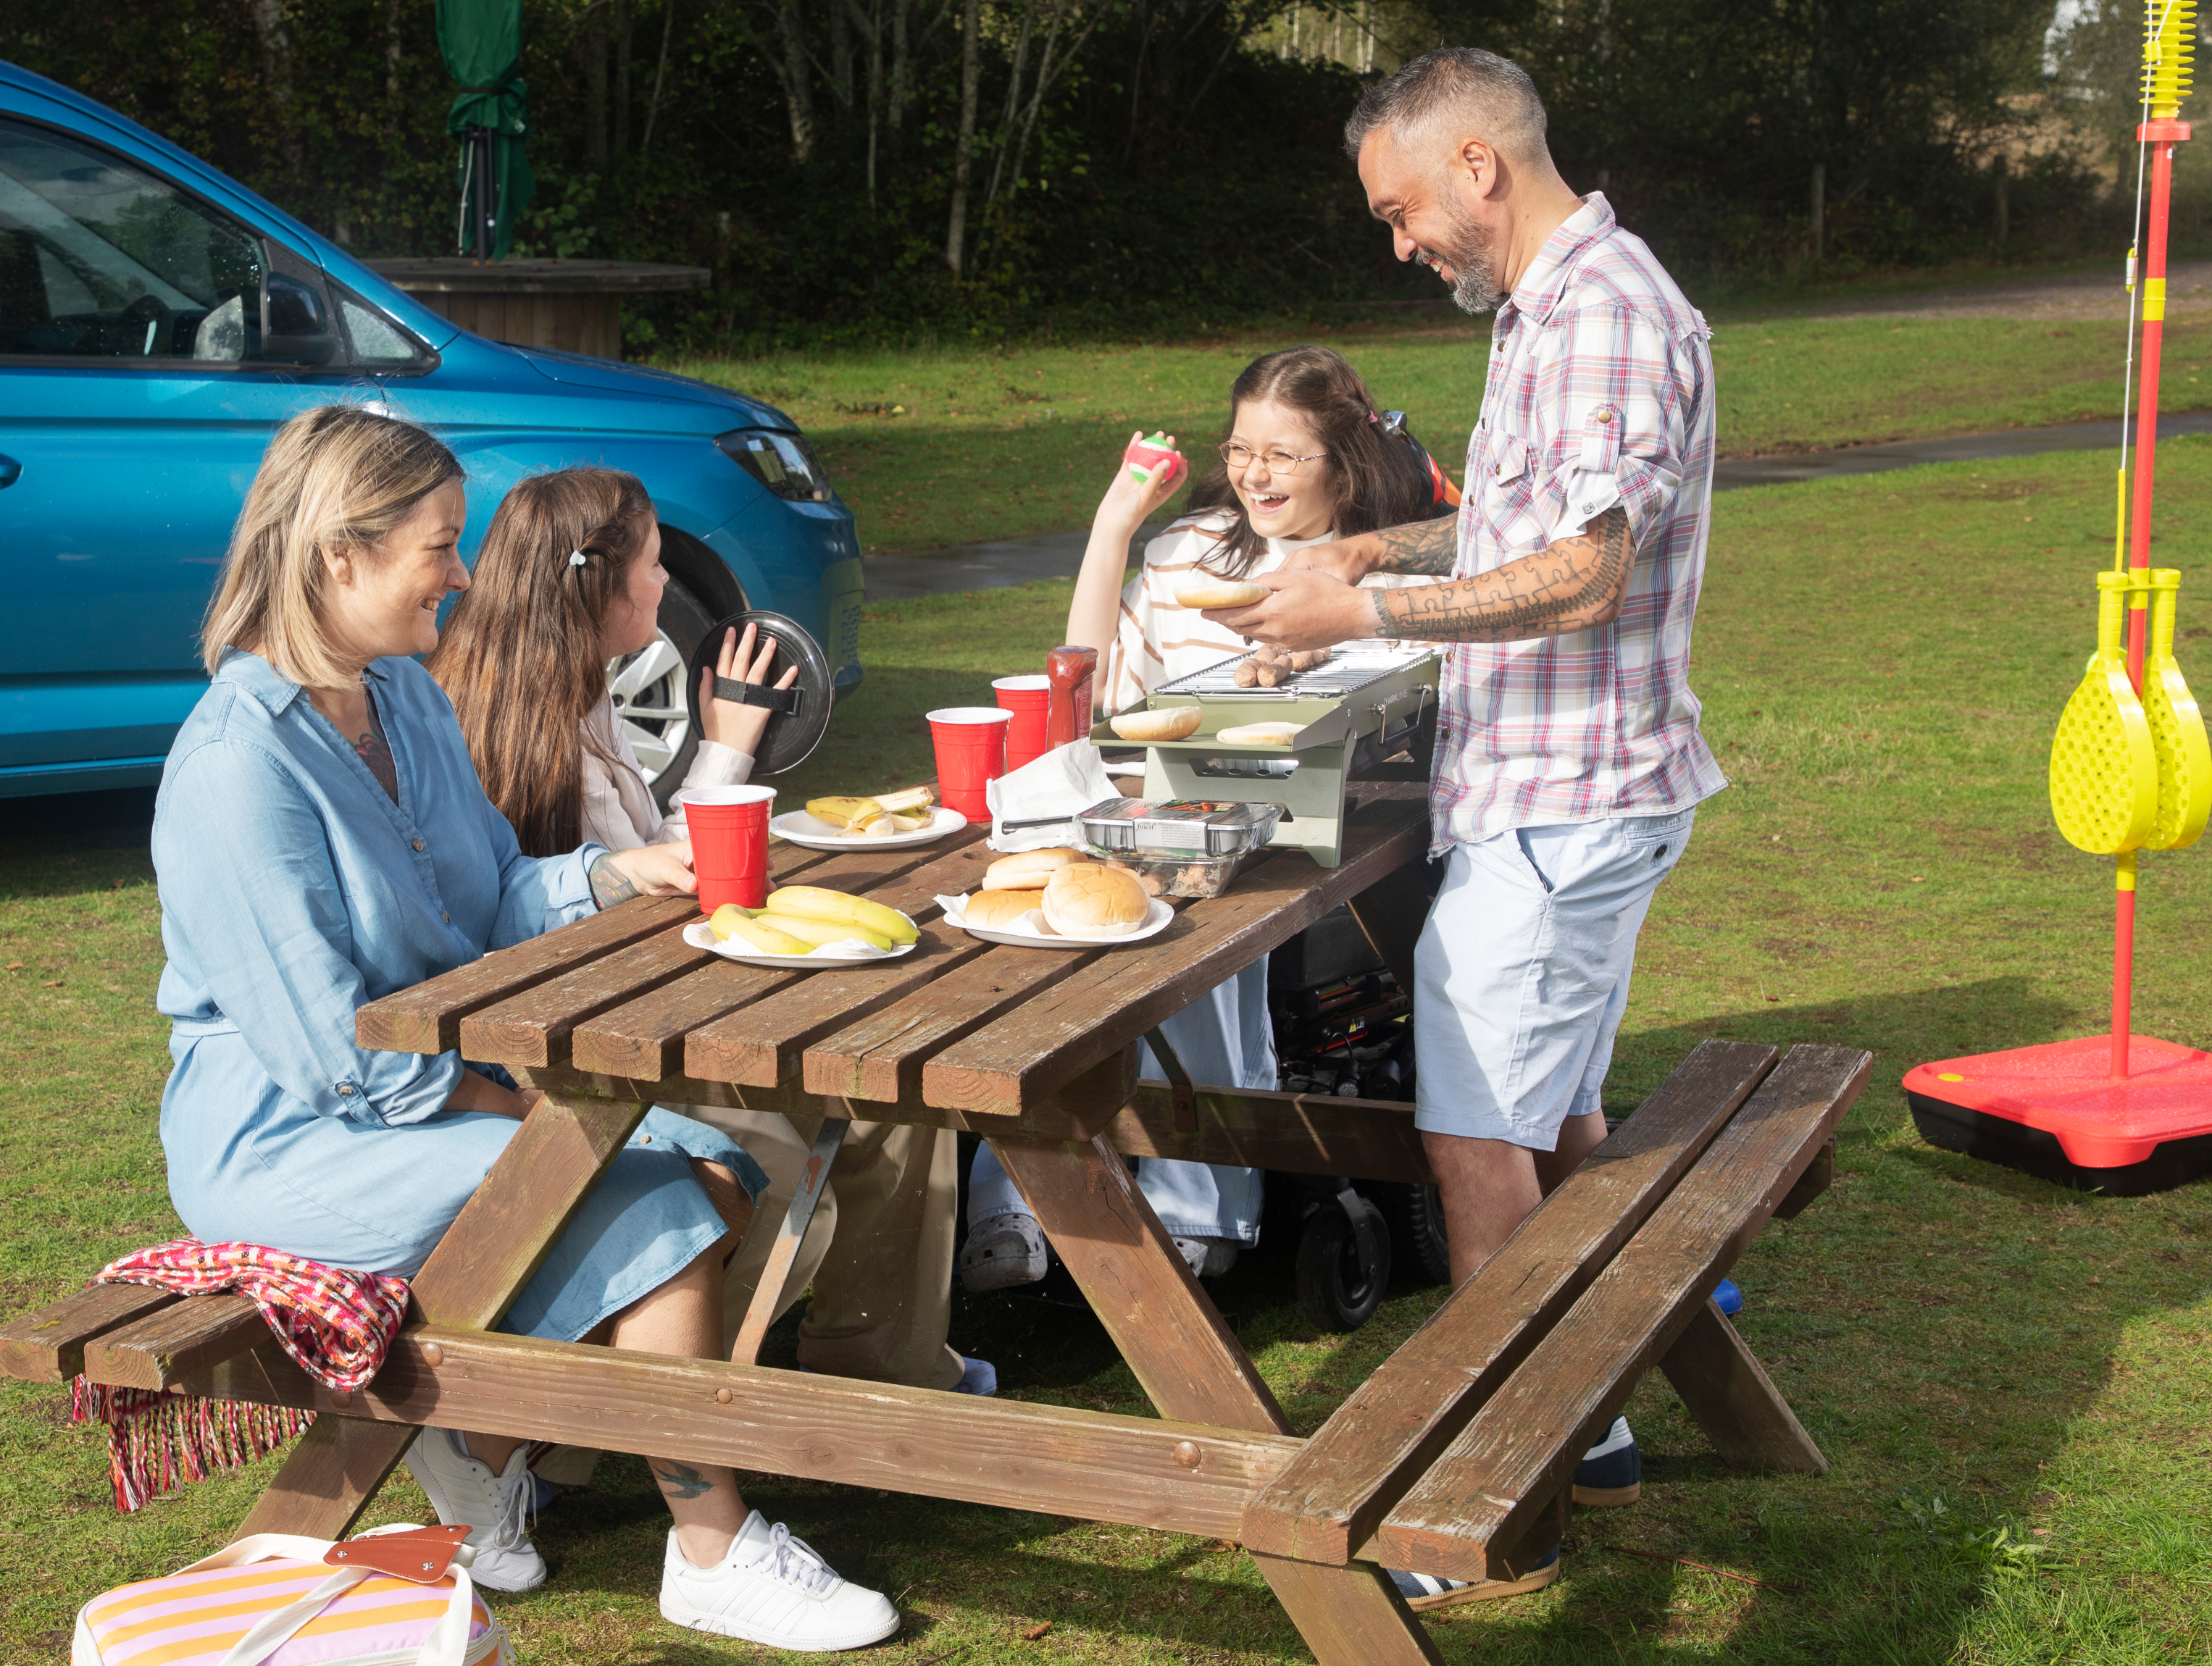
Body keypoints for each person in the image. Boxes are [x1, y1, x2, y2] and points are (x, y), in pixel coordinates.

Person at [149, 406, 900, 1652]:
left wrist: (620, 874)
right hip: (292, 1143)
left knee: (728, 1167)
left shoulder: (402, 697)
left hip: (429, 1087)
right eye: (438, 546)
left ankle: (475, 1443)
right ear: (341, 555)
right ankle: (712, 1550)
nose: (462, 572)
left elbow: (493, 894)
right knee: (661, 1195)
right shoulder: (237, 765)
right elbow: (335, 1057)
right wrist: (525, 1111)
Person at [1201, 49, 1725, 1609]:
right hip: (1555, 799)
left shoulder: (1609, 316)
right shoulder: (1553, 312)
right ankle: (1598, 1417)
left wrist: (1361, 598)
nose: (1400, 240)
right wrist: (1369, 542)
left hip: (1565, 807)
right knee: (1554, 1126)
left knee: (1476, 1137)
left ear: (1477, 167)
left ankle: (1502, 1492)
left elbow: (1582, 568)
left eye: (1401, 207)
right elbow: (1516, 523)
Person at [435, 465, 996, 1400]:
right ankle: (616, 1419)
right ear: (597, 581)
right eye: (653, 563)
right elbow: (624, 904)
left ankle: (881, 1362)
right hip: (597, 1042)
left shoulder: (582, 694)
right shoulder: (508, 738)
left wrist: (726, 743)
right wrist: (724, 762)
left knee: (902, 1105)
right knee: (787, 1185)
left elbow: (654, 865)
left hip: (659, 1003)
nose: (665, 581)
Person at [959, 344, 1456, 1294]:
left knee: (1207, 925)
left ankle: (1201, 1211)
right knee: (1040, 913)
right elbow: (1092, 684)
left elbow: (1412, 698)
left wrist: (1314, 661)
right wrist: (1115, 525)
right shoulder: (1188, 553)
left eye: (1282, 455)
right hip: (1155, 801)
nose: (1253, 476)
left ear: (1342, 459)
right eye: (1240, 451)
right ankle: (1013, 1200)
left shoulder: (1384, 568)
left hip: (1309, 819)